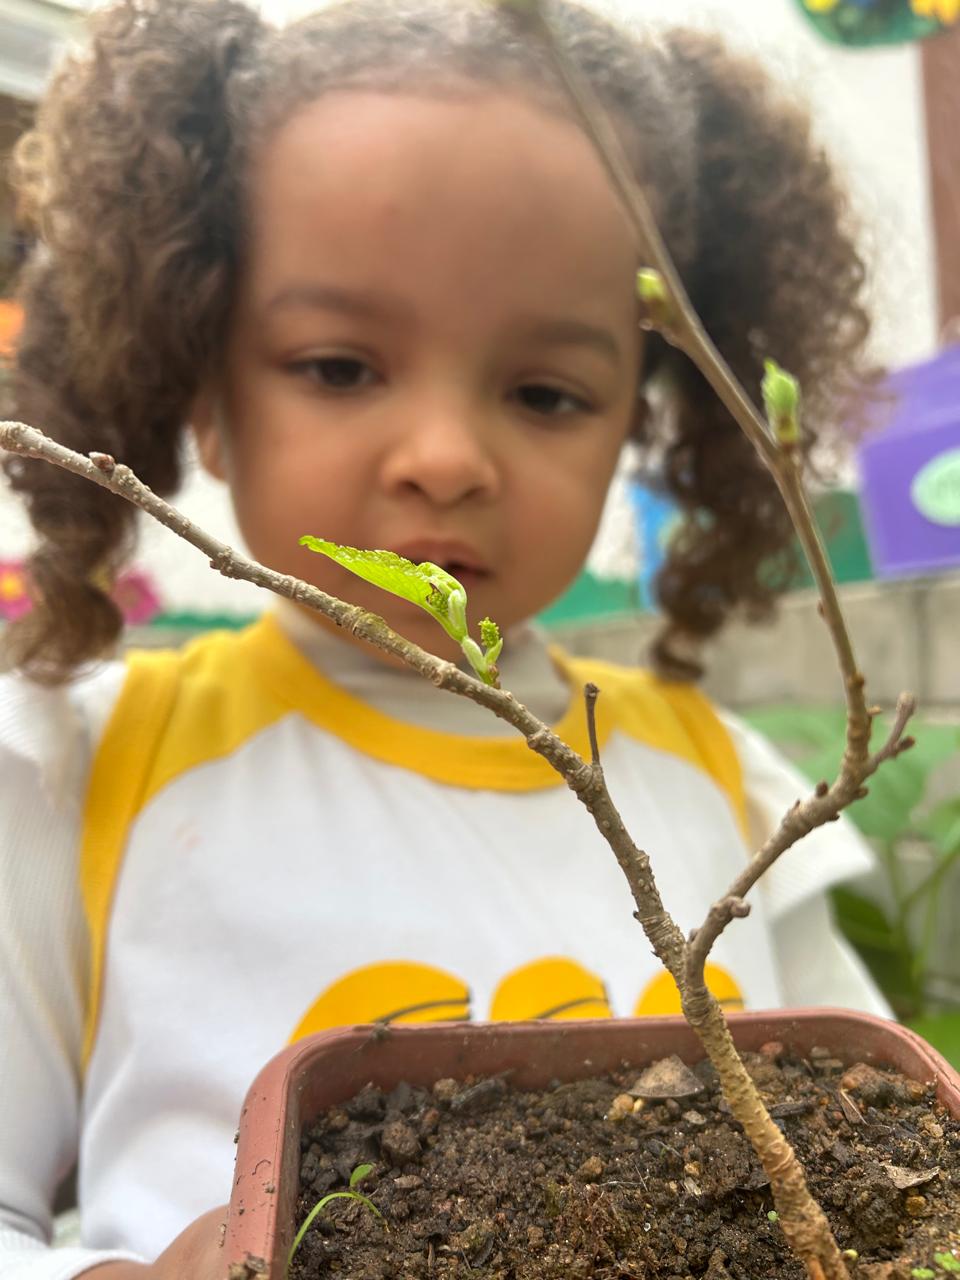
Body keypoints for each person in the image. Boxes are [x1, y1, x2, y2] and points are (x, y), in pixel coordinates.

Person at [0, 0, 890, 1275]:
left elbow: (889, 1152)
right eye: (339, 365)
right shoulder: (83, 773)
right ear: (202, 392)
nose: (446, 458)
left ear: (646, 418)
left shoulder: (728, 784)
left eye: (545, 391)